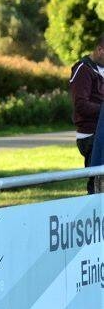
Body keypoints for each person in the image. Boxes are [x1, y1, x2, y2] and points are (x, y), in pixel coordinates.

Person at [69, 34, 104, 195]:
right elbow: (81, 105)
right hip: (91, 136)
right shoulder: (83, 69)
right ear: (100, 50)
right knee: (97, 183)